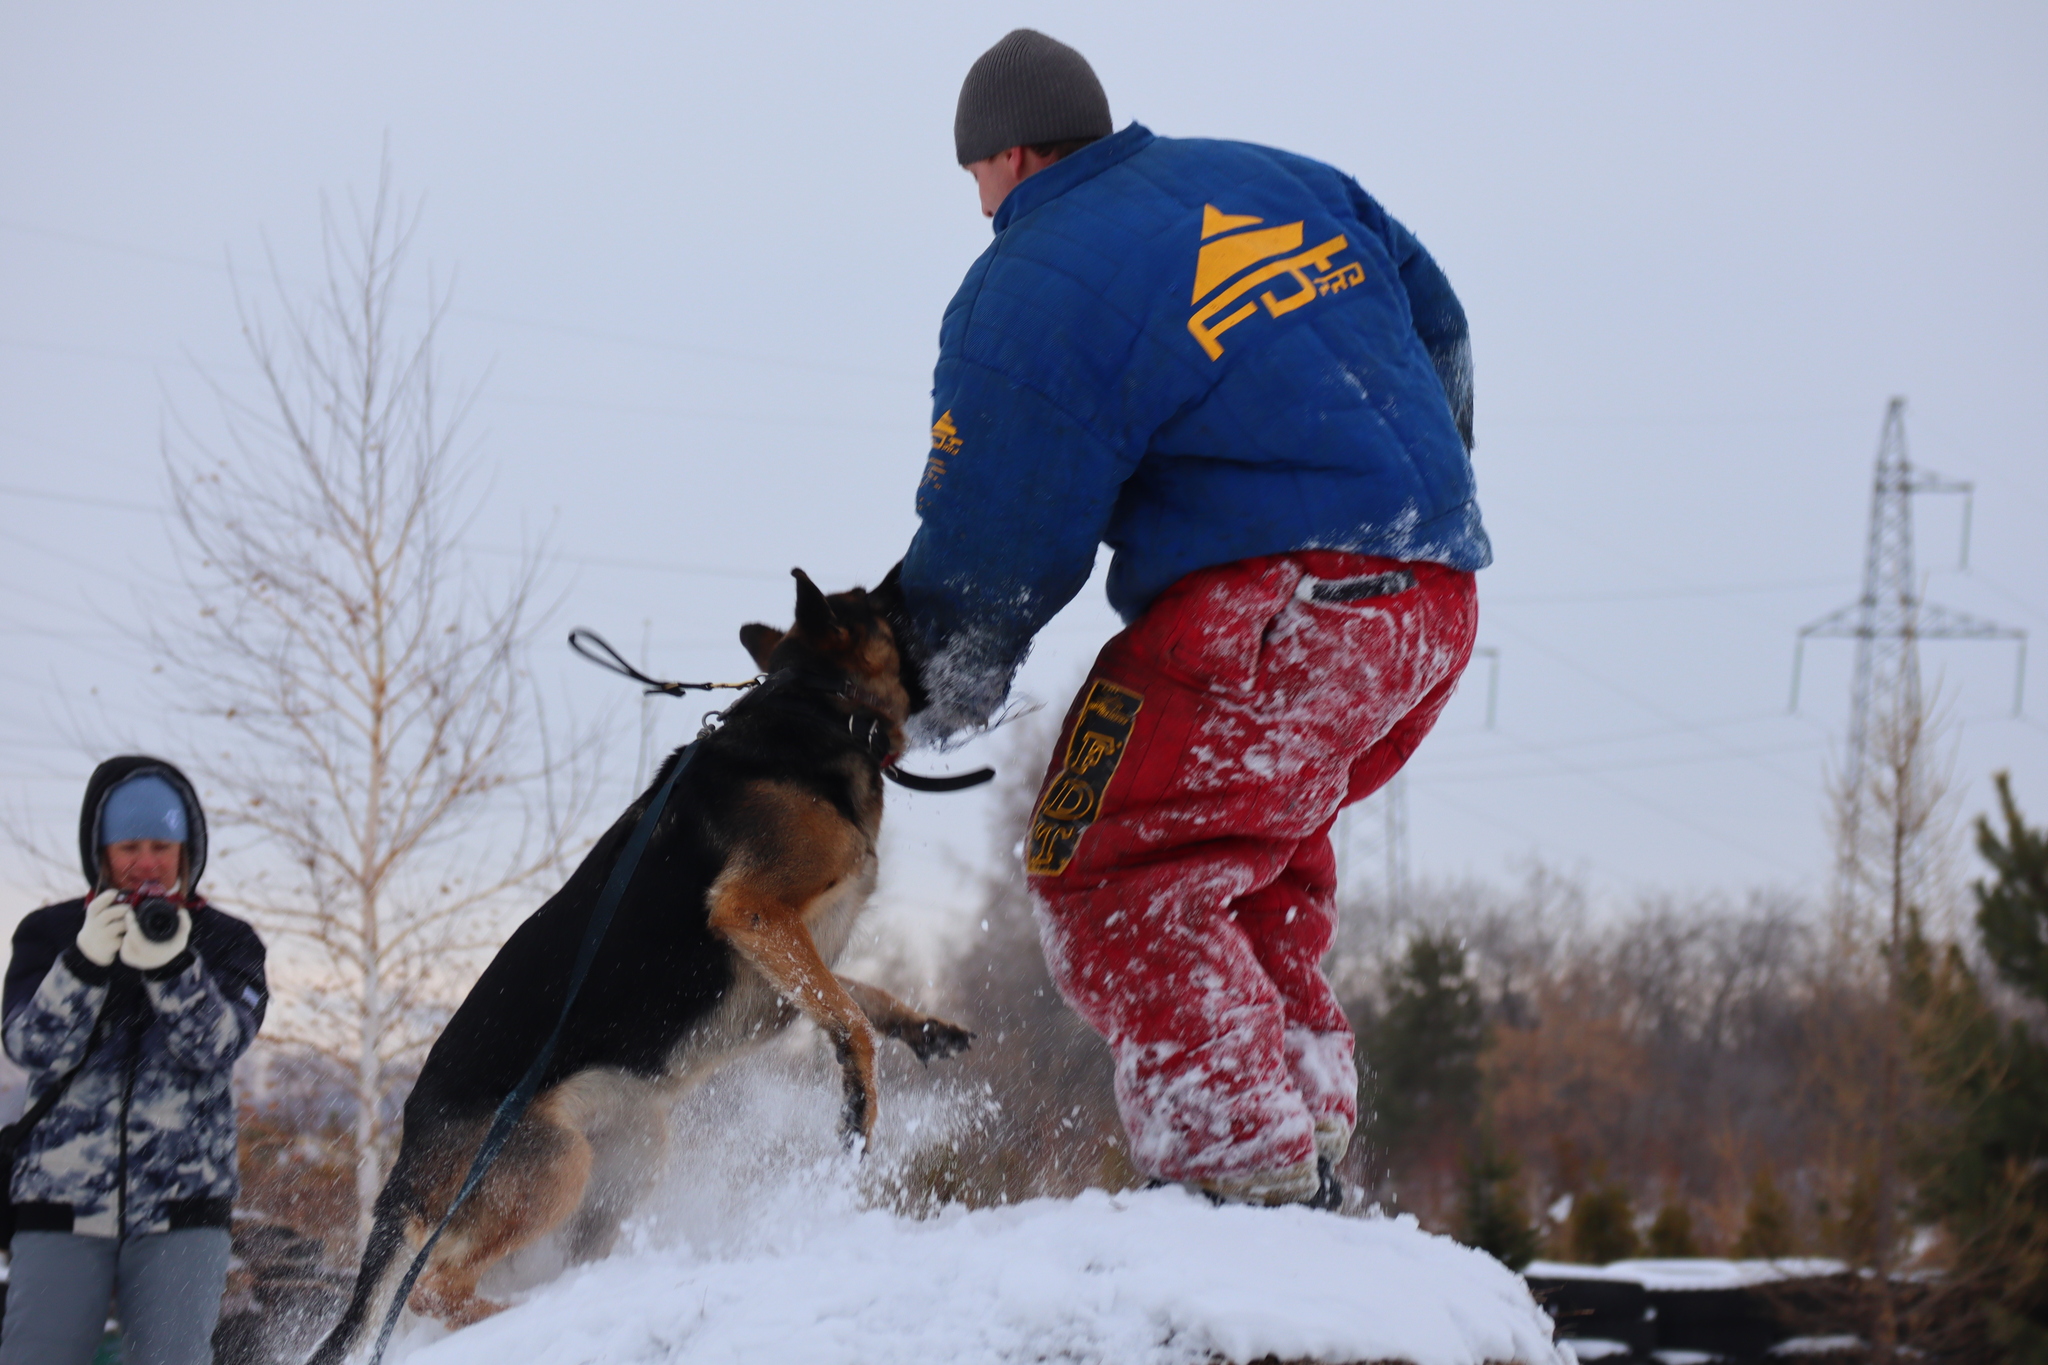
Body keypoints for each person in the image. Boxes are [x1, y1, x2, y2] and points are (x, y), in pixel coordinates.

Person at [897, 30, 1487, 1207]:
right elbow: (1443, 329)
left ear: (1005, 157)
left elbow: (999, 534)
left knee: (1114, 870)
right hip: (1430, 596)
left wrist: (920, 692)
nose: (978, 207)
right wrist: (1407, 503)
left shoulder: (1034, 277)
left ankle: (1239, 1176)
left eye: (972, 181)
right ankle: (1303, 1127)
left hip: (1277, 608)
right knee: (1243, 862)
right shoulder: (1283, 182)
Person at [0, 756, 266, 1365]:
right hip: (59, 1202)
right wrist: (85, 961)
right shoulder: (49, 933)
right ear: (99, 852)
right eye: (128, 846)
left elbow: (217, 1046)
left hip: (183, 1207)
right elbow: (30, 1046)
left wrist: (174, 968)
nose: (146, 863)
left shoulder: (228, 941)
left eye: (161, 845)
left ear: (187, 851)